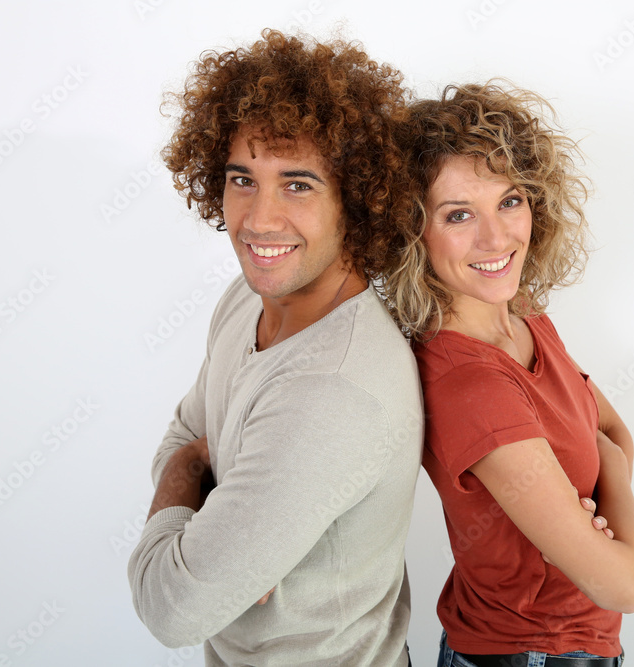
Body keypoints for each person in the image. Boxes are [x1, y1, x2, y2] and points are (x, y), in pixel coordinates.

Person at [127, 30, 423, 667]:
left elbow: (169, 608)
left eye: (298, 185)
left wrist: (195, 493)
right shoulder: (248, 297)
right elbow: (183, 434)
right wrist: (219, 526)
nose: (259, 220)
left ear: (359, 199)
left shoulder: (333, 391)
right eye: (242, 178)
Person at [382, 83, 634, 666]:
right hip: (529, 655)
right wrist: (614, 481)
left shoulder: (526, 319)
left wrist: (605, 477)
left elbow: (618, 433)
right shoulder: (472, 387)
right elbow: (623, 585)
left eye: (509, 201)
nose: (497, 238)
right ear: (412, 234)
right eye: (458, 215)